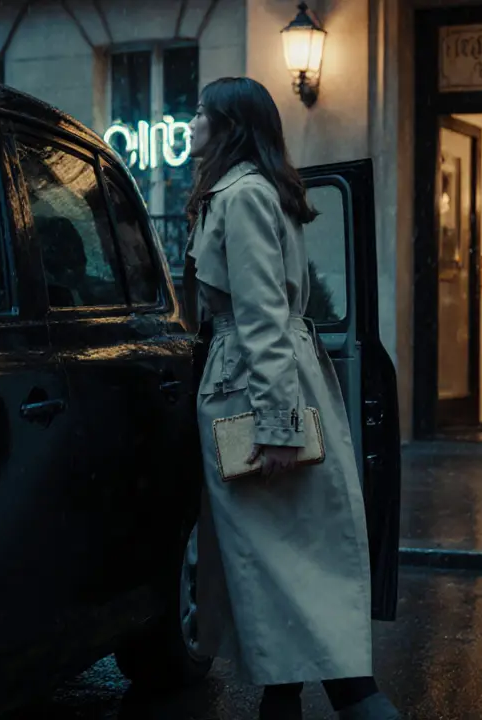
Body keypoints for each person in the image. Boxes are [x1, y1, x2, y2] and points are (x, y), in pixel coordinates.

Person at [182, 76, 400, 720]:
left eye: (198, 112)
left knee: (274, 561)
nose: (189, 123)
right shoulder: (247, 191)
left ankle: (348, 696)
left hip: (250, 390)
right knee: (277, 565)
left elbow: (261, 318)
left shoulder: (242, 195)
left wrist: (275, 427)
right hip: (258, 383)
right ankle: (304, 697)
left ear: (228, 126)